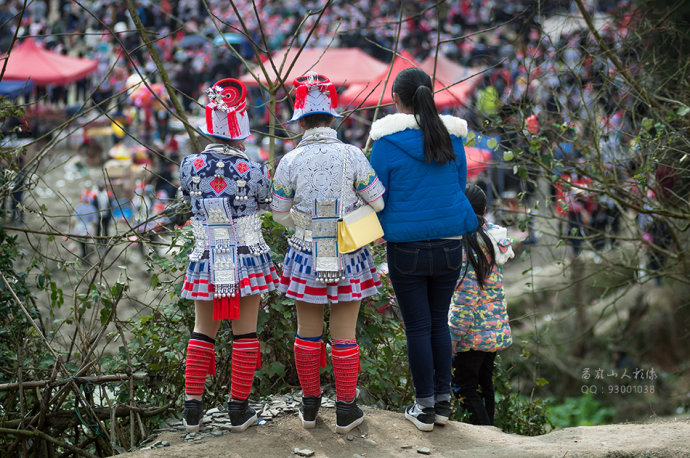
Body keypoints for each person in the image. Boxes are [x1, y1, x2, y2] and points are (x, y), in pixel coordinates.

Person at [270, 73, 386, 434]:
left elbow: (277, 213)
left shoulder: (289, 161)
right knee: (344, 334)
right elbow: (378, 201)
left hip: (305, 253)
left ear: (300, 120)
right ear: (333, 117)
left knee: (307, 332)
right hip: (349, 250)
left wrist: (303, 225)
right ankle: (346, 410)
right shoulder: (352, 155)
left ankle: (309, 407)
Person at [369, 67, 477, 432]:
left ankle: (424, 407)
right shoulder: (452, 139)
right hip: (449, 243)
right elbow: (459, 185)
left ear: (396, 100)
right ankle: (443, 404)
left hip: (406, 246)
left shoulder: (386, 144)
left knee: (417, 326)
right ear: (428, 96)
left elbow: (377, 197)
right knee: (438, 321)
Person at [178, 78, 280, 433]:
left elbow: (188, 200)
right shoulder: (255, 169)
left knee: (202, 330)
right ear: (240, 130)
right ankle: (239, 409)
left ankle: (192, 410)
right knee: (245, 332)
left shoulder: (189, 165)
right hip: (245, 256)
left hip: (206, 254)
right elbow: (267, 203)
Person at [449, 184, 514, 426]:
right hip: (493, 326)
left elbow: (466, 297)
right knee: (484, 384)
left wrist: (454, 335)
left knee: (464, 387)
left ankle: (485, 437)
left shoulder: (468, 245)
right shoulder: (494, 239)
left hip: (471, 333)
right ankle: (493, 433)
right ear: (485, 210)